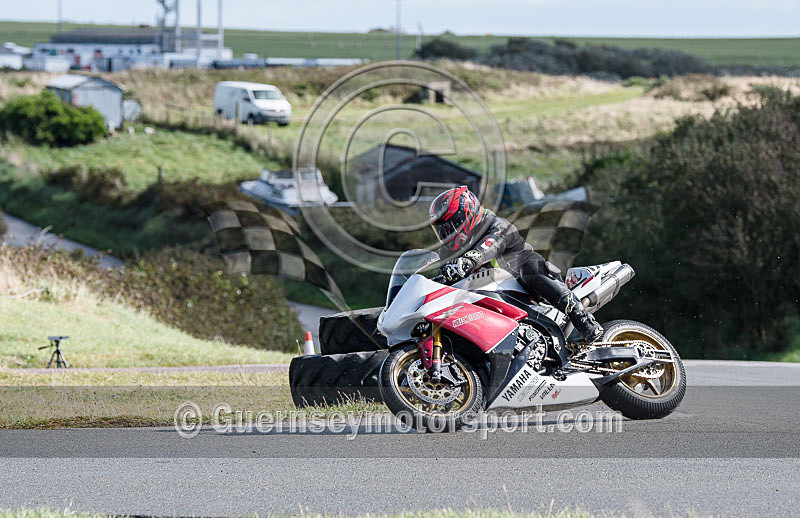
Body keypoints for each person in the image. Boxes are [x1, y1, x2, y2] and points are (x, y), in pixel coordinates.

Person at [429, 185, 603, 342]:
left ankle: (582, 319)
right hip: (489, 295)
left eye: (451, 226)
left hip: (524, 284)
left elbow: (490, 245)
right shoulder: (448, 252)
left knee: (531, 268)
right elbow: (445, 275)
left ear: (467, 215)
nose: (447, 233)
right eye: (441, 230)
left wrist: (469, 259)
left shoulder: (495, 225)